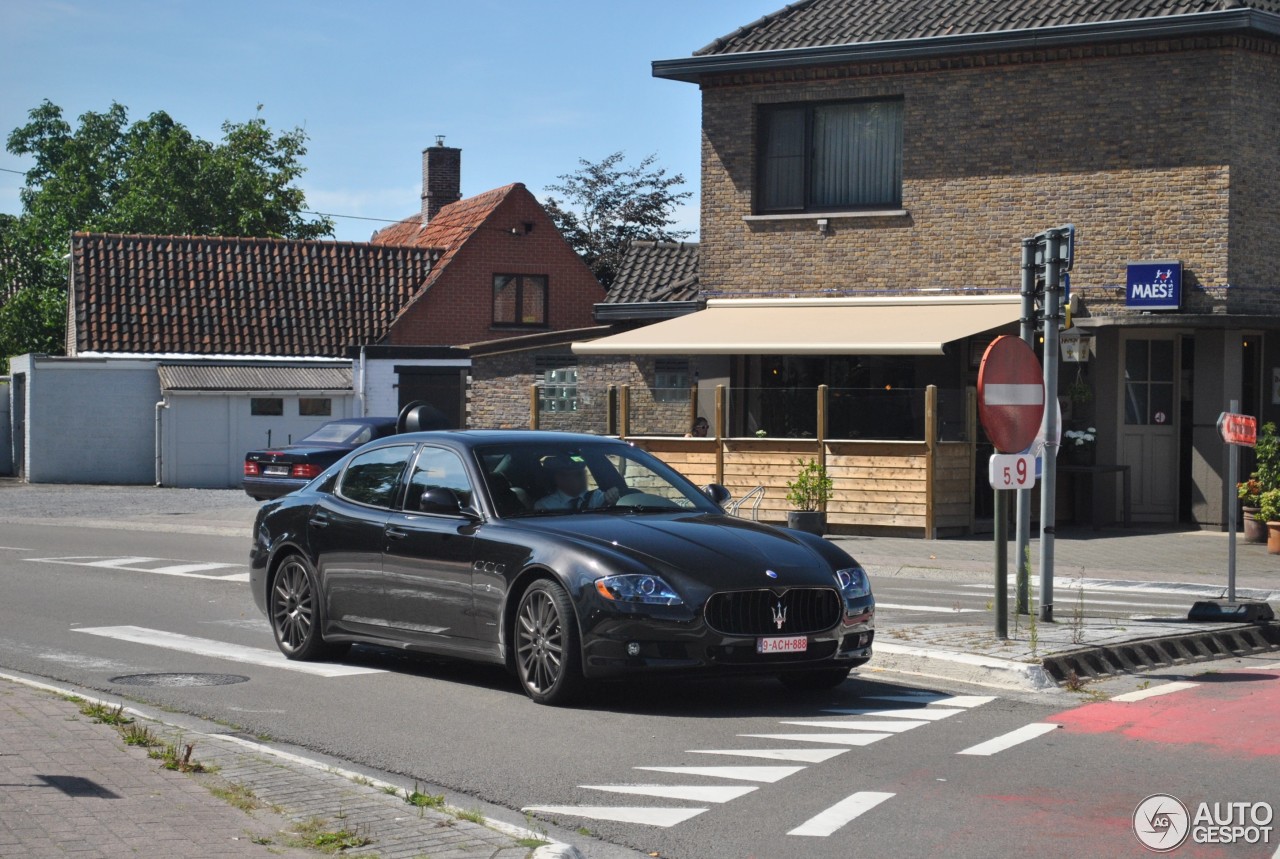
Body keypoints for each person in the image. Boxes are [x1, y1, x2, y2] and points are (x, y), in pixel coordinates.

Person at [533, 454, 620, 511]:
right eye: (577, 475)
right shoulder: (545, 506)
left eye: (582, 473)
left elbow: (609, 499)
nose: (583, 478)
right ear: (559, 478)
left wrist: (613, 496)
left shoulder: (595, 497)